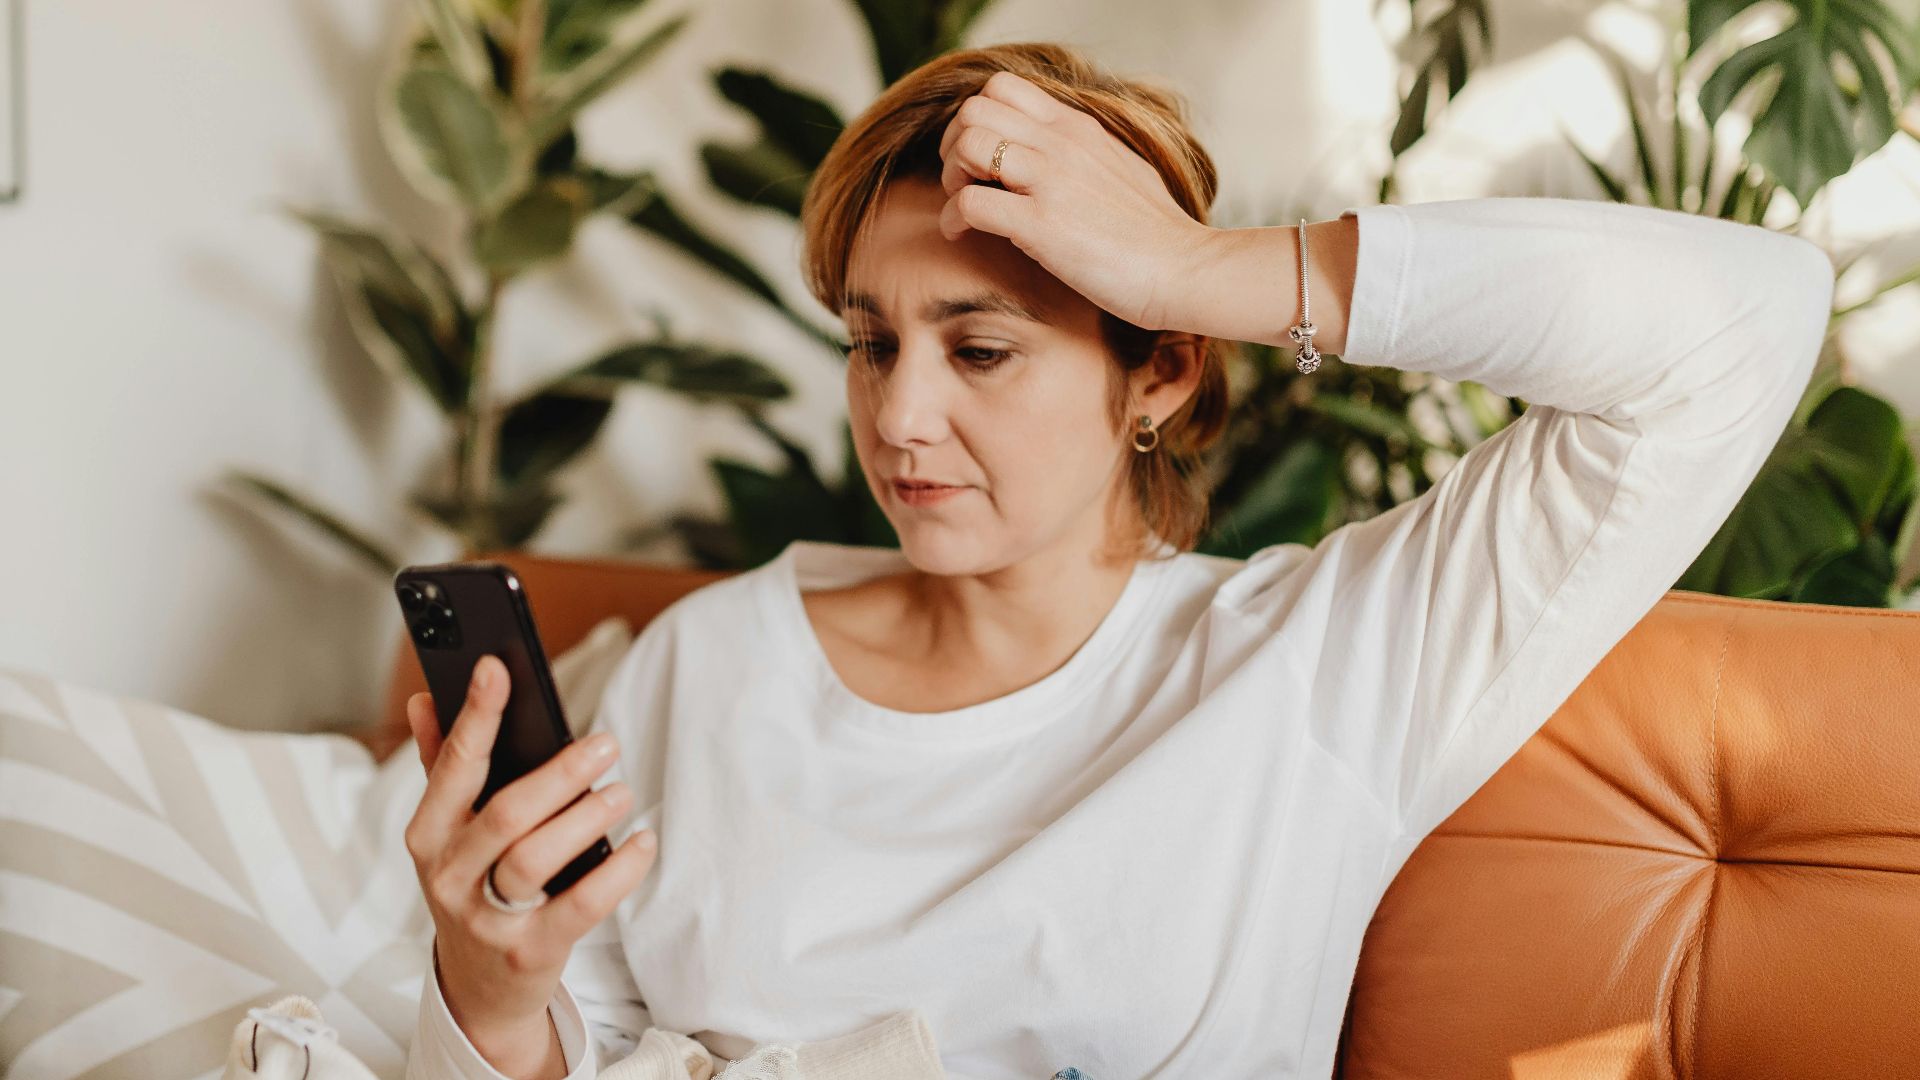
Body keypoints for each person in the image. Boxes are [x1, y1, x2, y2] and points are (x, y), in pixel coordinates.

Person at [400, 40, 1835, 1080]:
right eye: (870, 341)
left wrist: (1200, 266)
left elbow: (1744, 321)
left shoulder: (1322, 667)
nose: (899, 415)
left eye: (980, 348)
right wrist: (495, 996)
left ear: (1157, 373)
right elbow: (583, 1044)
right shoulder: (709, 661)